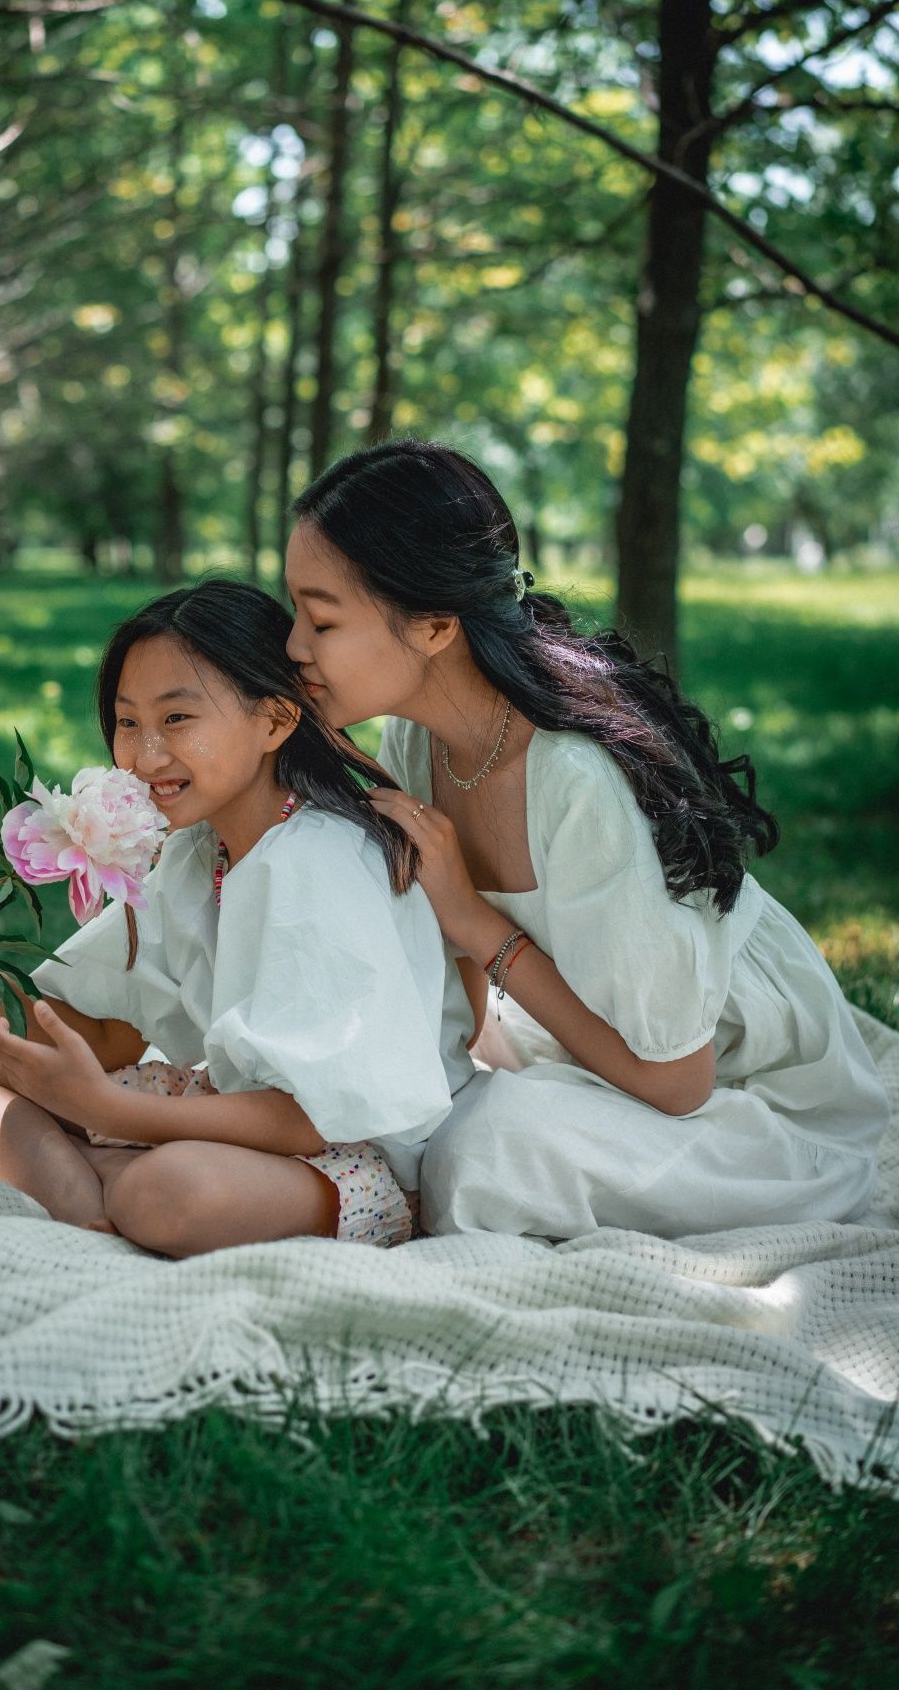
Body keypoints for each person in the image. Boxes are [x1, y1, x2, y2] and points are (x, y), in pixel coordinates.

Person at [284, 438, 889, 1240]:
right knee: (400, 1107)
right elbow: (453, 996)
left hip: (745, 1099)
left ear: (432, 626)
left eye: (320, 618)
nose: (293, 646)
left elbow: (678, 1083)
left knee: (489, 1151)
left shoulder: (575, 780)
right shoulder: (412, 743)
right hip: (596, 1044)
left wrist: (474, 923)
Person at [0, 579, 473, 1256]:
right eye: (128, 722)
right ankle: (91, 1205)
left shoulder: (321, 861)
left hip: (350, 1161)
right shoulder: (196, 850)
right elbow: (108, 1037)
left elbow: (310, 1119)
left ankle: (94, 1185)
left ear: (274, 720)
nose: (145, 756)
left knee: (172, 1191)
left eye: (177, 720)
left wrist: (105, 1111)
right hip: (230, 1115)